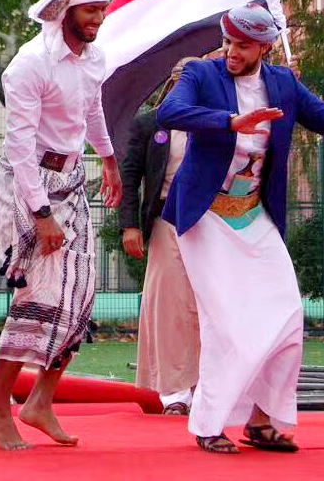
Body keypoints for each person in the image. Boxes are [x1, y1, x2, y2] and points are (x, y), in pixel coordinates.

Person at [157, 3, 324, 454]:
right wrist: (229, 122)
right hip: (206, 216)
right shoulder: (202, 74)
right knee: (227, 324)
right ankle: (210, 425)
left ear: (265, 48)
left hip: (255, 214)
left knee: (288, 316)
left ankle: (261, 420)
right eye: (228, 42)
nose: (232, 51)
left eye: (243, 45)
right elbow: (168, 112)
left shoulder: (284, 84)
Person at [0, 0, 123, 450]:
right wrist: (41, 215)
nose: (98, 18)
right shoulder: (29, 64)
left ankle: (40, 402)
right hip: (27, 186)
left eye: (103, 9)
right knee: (37, 294)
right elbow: (20, 149)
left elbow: (92, 109)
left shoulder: (94, 59)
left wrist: (109, 159)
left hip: (73, 180)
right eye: (90, 10)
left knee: (81, 293)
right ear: (65, 9)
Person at [119, 57, 202, 415]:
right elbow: (129, 176)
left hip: (210, 222)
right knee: (170, 306)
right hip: (166, 219)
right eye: (183, 83)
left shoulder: (216, 123)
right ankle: (175, 393)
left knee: (207, 305)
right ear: (171, 84)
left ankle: (207, 390)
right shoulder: (149, 124)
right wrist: (130, 225)